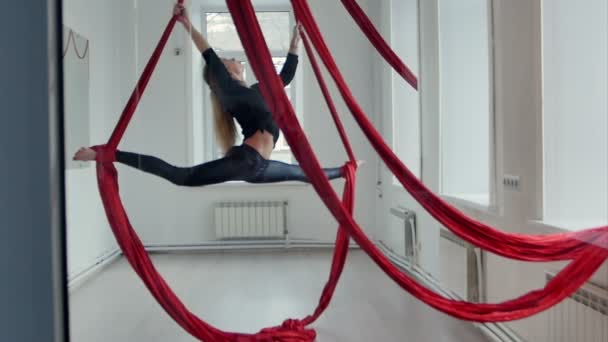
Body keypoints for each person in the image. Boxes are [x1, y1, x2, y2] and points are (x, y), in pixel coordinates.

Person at [74, 4, 359, 186]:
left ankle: (347, 170)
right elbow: (208, 53)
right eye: (230, 60)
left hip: (258, 168)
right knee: (180, 176)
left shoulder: (258, 91)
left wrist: (295, 45)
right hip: (246, 161)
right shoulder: (228, 90)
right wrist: (187, 25)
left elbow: (284, 77)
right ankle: (106, 153)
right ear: (224, 73)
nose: (237, 60)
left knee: (306, 175)